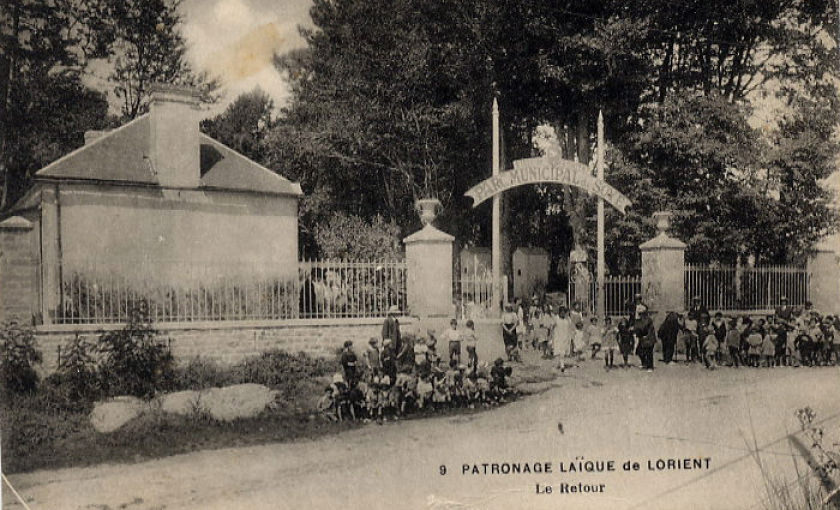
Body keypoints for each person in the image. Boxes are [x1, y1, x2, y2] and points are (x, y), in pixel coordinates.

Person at [634, 305, 656, 372]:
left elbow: (649, 329)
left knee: (649, 352)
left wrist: (646, 336)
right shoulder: (638, 320)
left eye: (642, 313)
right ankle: (644, 363)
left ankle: (650, 367)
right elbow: (637, 328)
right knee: (639, 351)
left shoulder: (648, 320)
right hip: (642, 339)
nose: (641, 315)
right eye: (639, 313)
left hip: (649, 338)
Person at [552, 306, 575, 372]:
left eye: (563, 312)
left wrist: (571, 336)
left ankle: (560, 364)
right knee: (559, 352)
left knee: (563, 352)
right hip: (558, 337)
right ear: (559, 312)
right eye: (561, 312)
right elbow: (552, 327)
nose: (562, 314)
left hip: (565, 337)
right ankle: (562, 366)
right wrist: (551, 337)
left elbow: (570, 327)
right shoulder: (556, 318)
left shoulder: (567, 319)